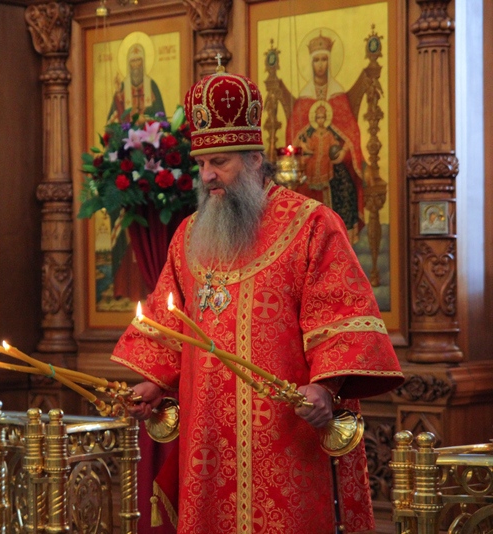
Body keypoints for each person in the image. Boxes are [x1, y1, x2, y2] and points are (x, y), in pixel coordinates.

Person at [112, 66, 403, 533]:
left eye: (220, 162)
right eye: (201, 164)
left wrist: (325, 389)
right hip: (206, 445)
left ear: (253, 159)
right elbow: (169, 323)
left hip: (285, 439)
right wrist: (153, 383)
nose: (207, 176)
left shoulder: (311, 225)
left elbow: (343, 318)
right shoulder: (189, 236)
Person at [270, 32, 375, 243]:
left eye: (324, 59)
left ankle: (340, 240)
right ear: (311, 63)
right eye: (316, 60)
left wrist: (344, 152)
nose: (320, 65)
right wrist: (300, 146)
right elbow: (294, 134)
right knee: (297, 193)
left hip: (335, 166)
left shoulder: (338, 95)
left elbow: (351, 134)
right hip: (307, 168)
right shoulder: (305, 97)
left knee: (344, 188)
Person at [108, 42, 166, 124]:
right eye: (133, 61)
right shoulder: (122, 87)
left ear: (143, 62)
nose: (135, 65)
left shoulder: (152, 86)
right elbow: (114, 120)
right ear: (128, 64)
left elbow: (161, 118)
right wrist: (118, 93)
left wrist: (146, 120)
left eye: (138, 60)